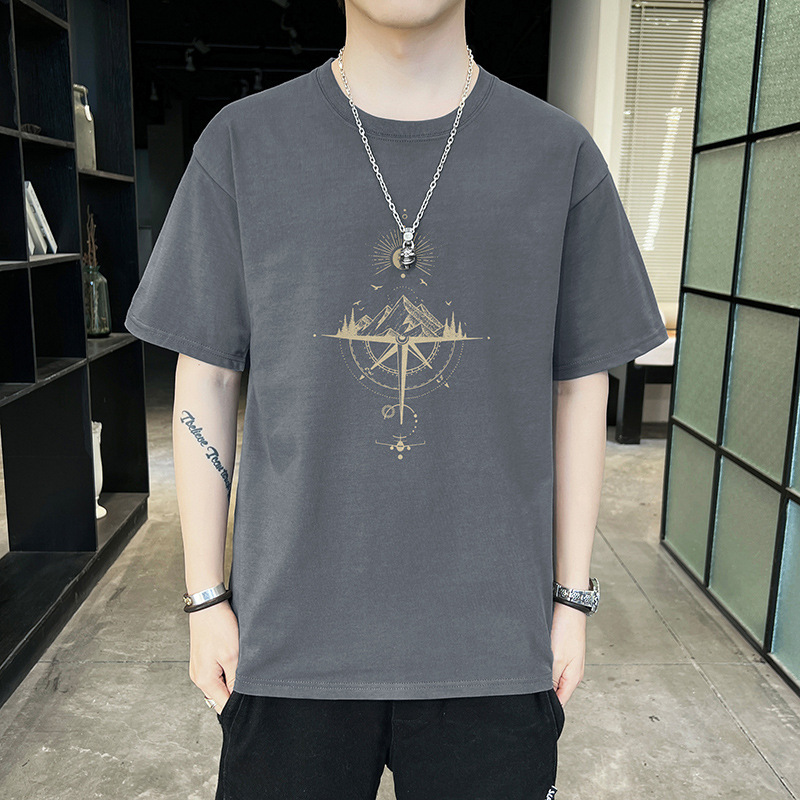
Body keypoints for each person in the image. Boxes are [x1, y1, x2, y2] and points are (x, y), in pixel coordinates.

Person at [124, 1, 667, 798]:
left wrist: (572, 600)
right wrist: (205, 598)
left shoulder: (559, 155)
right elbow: (206, 374)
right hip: (285, 639)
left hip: (494, 643)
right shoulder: (241, 145)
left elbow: (578, 384)